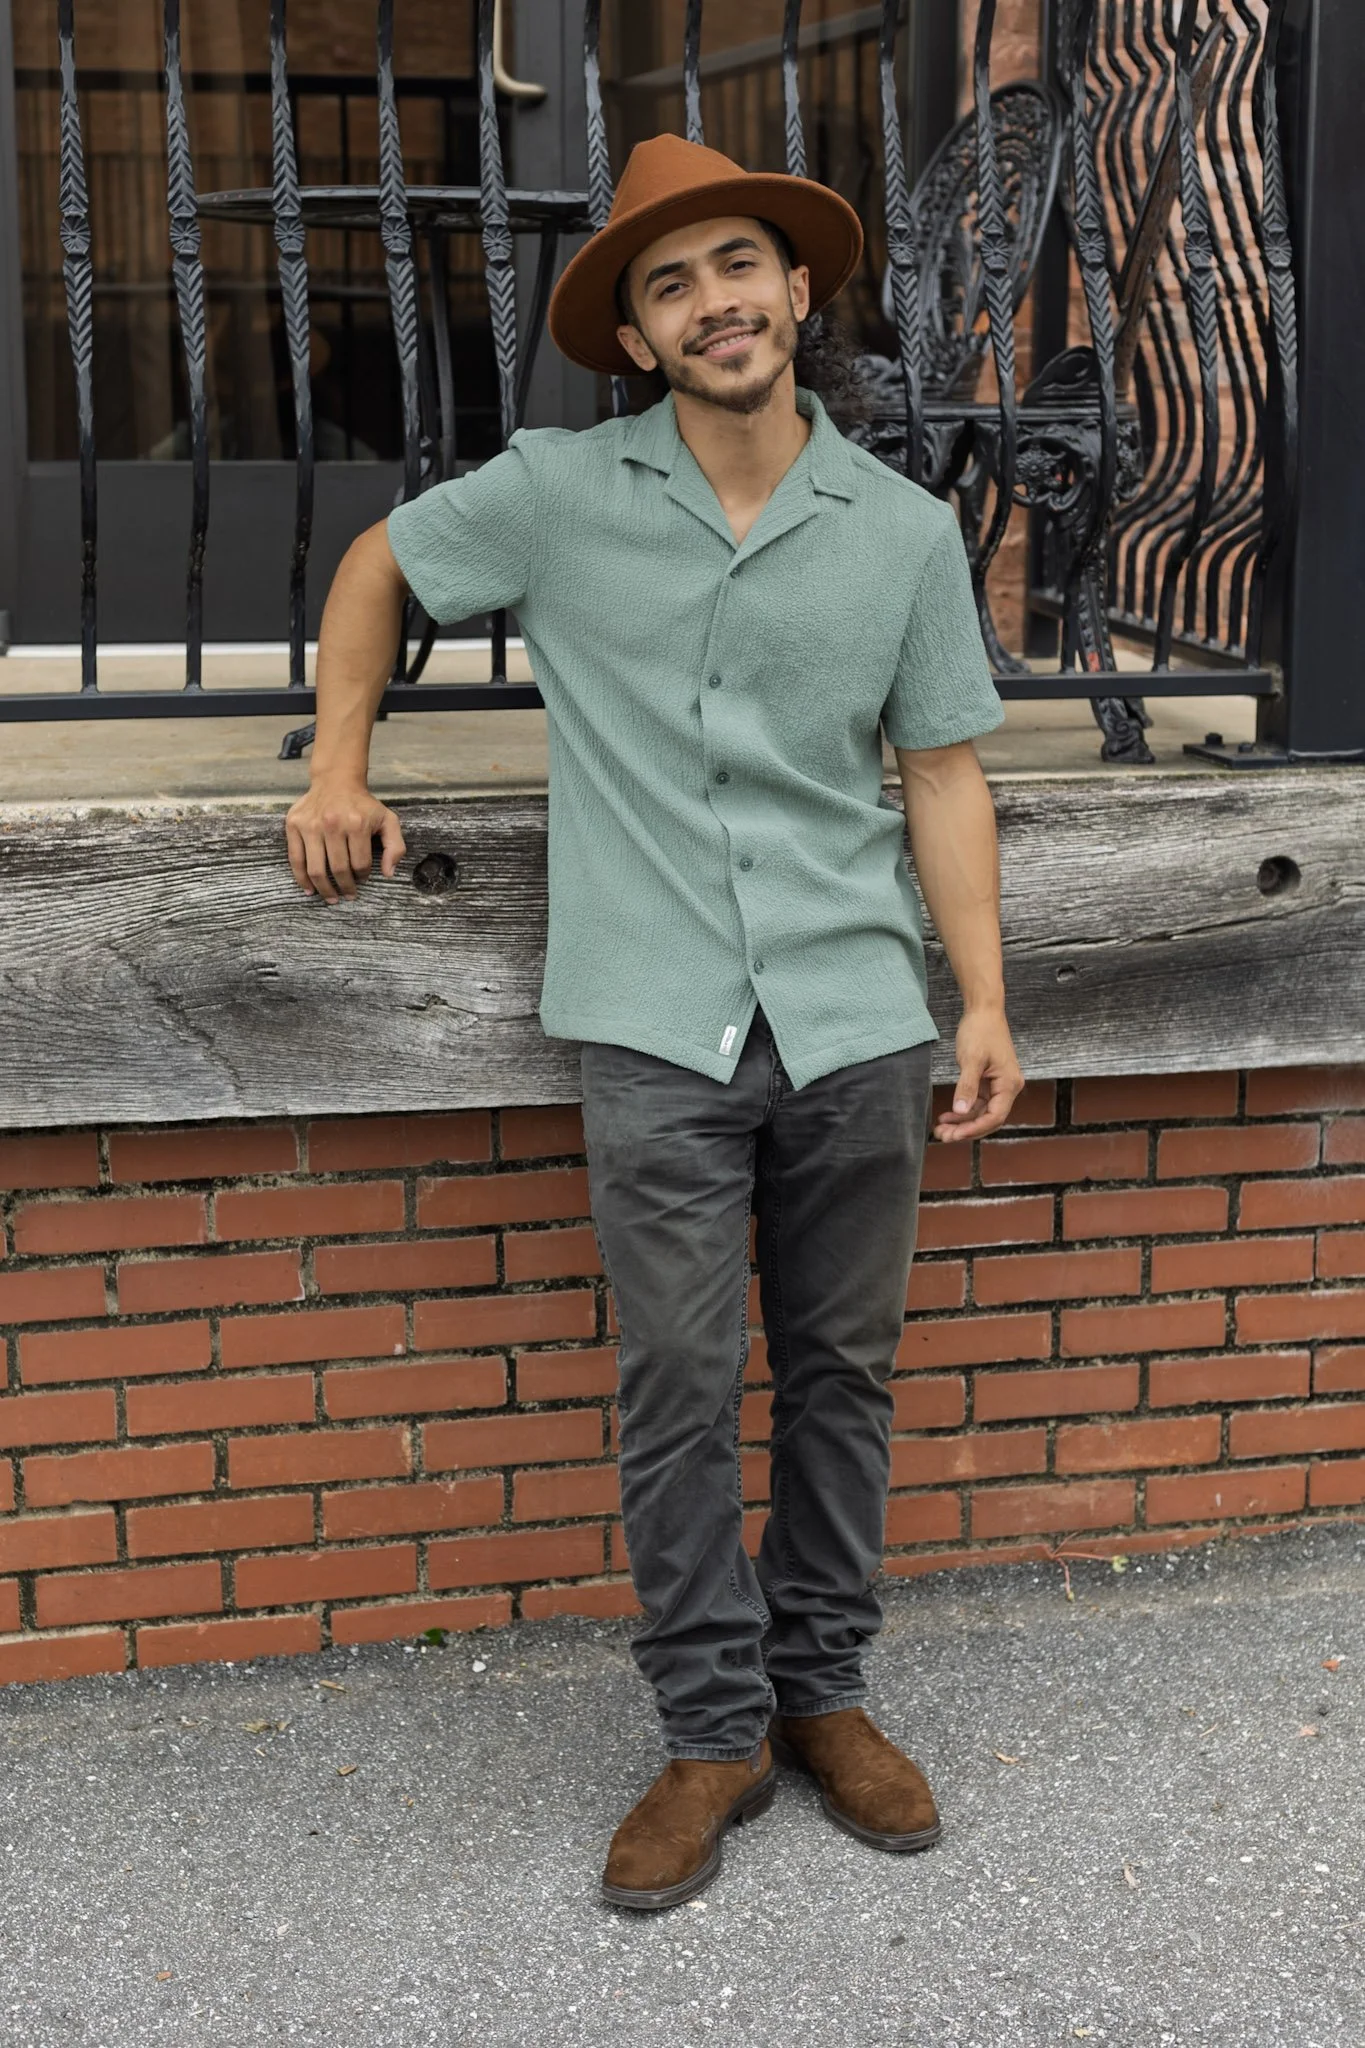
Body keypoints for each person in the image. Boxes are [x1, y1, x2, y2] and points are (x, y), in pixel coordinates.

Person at [284, 133, 1025, 1914]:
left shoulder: (902, 534)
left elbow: (941, 774)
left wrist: (987, 999)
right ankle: (712, 1731)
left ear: (798, 292)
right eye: (670, 286)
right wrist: (334, 765)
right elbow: (378, 566)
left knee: (842, 1374)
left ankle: (821, 1690)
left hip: (854, 1016)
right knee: (679, 1381)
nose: (715, 304)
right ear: (637, 337)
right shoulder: (556, 494)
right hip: (654, 1019)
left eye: (738, 266)